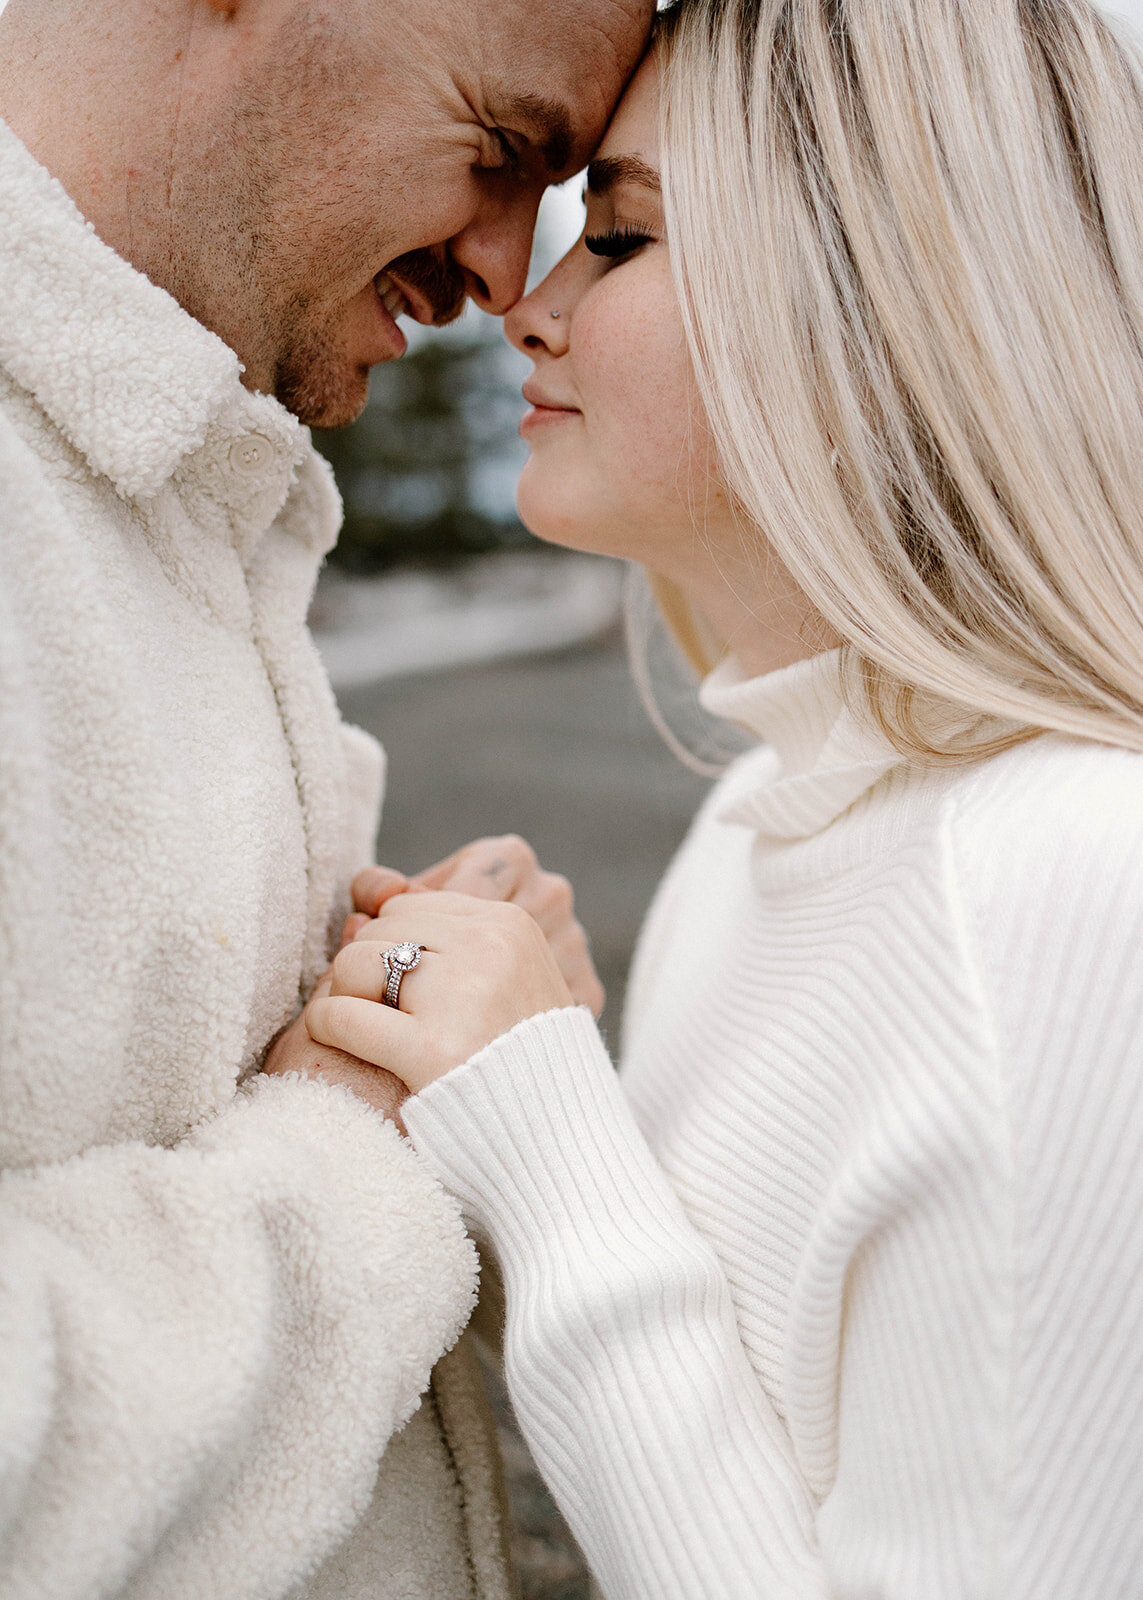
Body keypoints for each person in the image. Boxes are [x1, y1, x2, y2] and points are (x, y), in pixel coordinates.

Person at [309, 1, 1143, 1596]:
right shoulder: (754, 830)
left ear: (886, 300)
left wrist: (549, 1126)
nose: (524, 309)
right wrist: (491, 1088)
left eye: (617, 235)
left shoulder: (1080, 884)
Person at [0, 0, 651, 1595]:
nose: (511, 275)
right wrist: (360, 1152)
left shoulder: (178, 482)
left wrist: (469, 1056)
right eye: (504, 147)